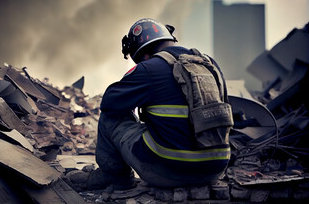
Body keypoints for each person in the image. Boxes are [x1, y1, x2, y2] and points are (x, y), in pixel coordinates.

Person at [68, 18, 233, 191]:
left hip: (169, 173)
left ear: (143, 54)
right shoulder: (210, 65)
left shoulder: (149, 68)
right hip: (215, 171)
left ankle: (115, 178)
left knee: (111, 117)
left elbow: (109, 102)